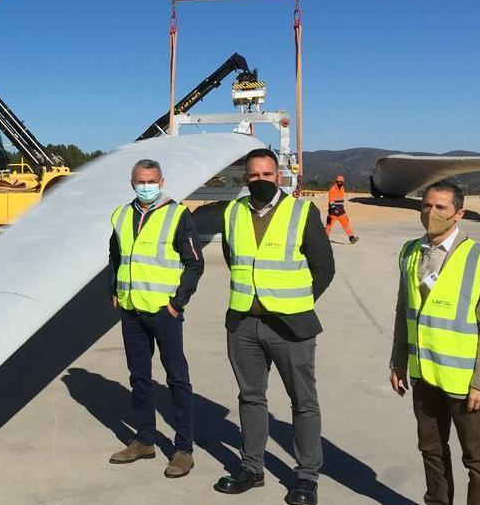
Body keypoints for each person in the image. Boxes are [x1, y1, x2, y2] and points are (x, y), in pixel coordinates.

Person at [215, 148, 335, 505]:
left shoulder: (302, 212)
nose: (260, 181)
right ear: (245, 178)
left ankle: (306, 477)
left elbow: (323, 268)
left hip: (290, 326)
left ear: (279, 177)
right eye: (253, 175)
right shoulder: (233, 212)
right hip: (243, 322)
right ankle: (252, 469)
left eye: (267, 175)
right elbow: (232, 257)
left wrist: (294, 303)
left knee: (303, 401)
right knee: (251, 398)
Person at [389, 181, 480, 505]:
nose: (431, 213)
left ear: (459, 213)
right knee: (431, 450)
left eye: (441, 207)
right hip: (424, 375)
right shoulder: (410, 252)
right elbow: (405, 312)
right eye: (426, 206)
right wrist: (398, 361)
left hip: (464, 381)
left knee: (476, 458)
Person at [107, 159, 204, 479]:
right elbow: (116, 256)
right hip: (132, 309)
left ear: (161, 182)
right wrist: (114, 289)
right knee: (139, 377)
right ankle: (145, 439)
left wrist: (177, 303)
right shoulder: (122, 215)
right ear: (132, 183)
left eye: (151, 181)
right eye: (139, 181)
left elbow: (194, 263)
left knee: (177, 378)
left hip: (164, 311)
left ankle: (184, 448)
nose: (145, 186)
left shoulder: (177, 215)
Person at [325, 174, 358, 244]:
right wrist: (334, 210)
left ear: (343, 182)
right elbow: (331, 201)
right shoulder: (332, 190)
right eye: (338, 182)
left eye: (341, 182)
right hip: (333, 212)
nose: (340, 183)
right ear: (336, 182)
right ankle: (324, 238)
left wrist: (343, 211)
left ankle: (352, 238)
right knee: (329, 226)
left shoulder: (342, 189)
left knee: (346, 225)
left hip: (341, 211)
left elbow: (341, 201)